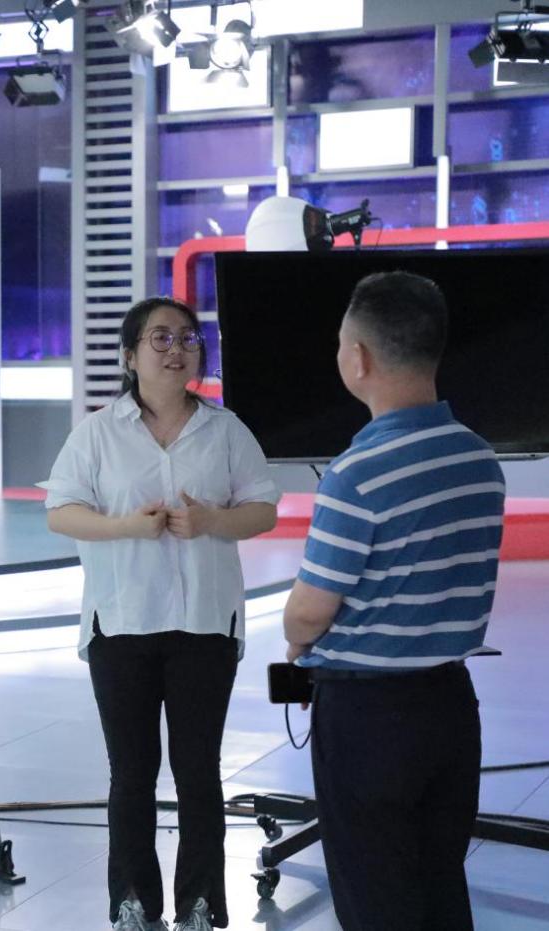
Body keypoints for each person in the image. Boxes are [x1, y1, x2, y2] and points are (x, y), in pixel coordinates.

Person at [42, 297, 280, 931]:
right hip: (122, 623)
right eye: (161, 338)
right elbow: (61, 511)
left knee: (199, 770)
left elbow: (263, 510)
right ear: (130, 356)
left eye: (188, 339)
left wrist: (212, 520)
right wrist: (125, 526)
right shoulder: (96, 433)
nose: (178, 350)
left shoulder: (226, 430)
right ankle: (133, 902)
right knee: (131, 773)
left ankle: (201, 902)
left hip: (205, 623)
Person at [282, 270, 504, 931]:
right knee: (440, 886)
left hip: (368, 718)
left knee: (377, 898)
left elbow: (308, 611)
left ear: (359, 358)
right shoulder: (480, 458)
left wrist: (296, 639)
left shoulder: (357, 474)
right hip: (450, 706)